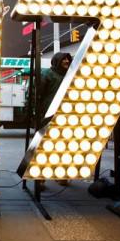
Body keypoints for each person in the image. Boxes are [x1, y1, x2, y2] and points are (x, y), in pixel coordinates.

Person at [39, 52, 72, 187]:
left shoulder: (70, 75)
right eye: (63, 59)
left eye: (68, 59)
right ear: (56, 60)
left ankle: (61, 174)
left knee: (63, 146)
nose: (66, 61)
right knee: (45, 147)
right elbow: (38, 94)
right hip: (48, 115)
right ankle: (40, 177)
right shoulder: (47, 74)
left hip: (66, 116)